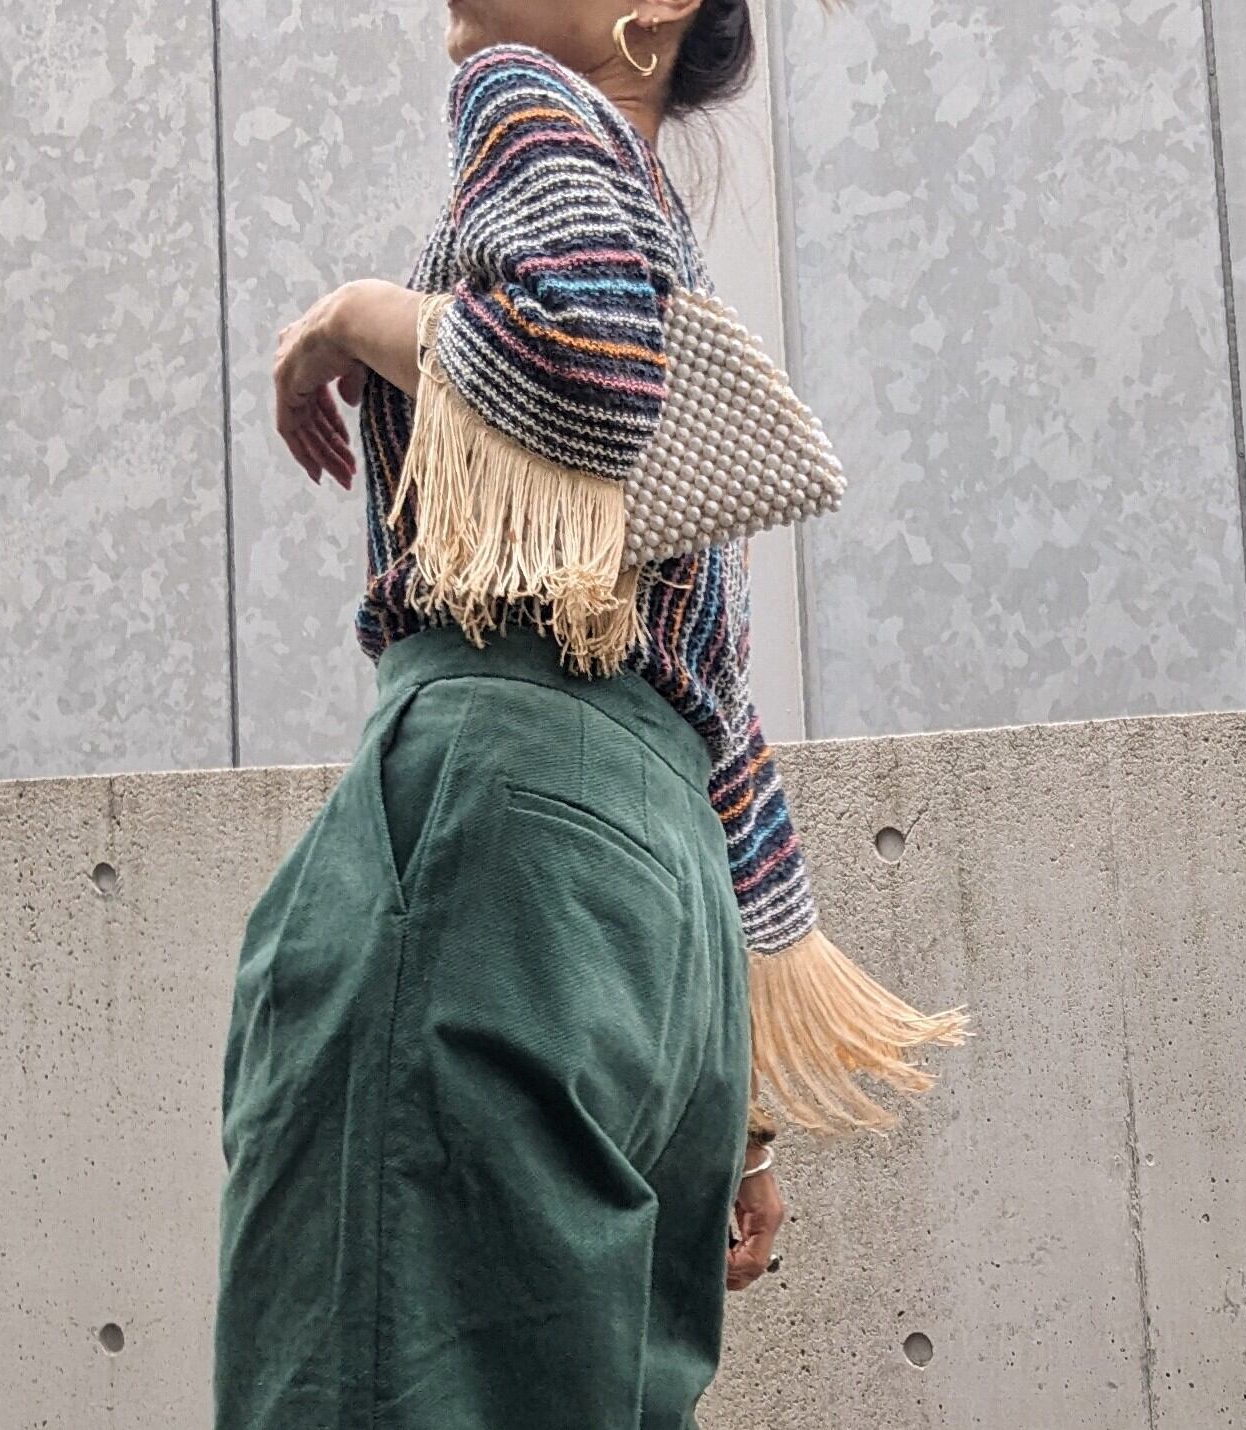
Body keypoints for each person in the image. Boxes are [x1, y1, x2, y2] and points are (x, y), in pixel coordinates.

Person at [215, 4, 968, 1426]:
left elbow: (582, 369)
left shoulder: (527, 94)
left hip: (500, 826)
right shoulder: (659, 232)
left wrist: (350, 319)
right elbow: (714, 690)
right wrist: (743, 1112)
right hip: (658, 902)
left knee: (375, 1367)